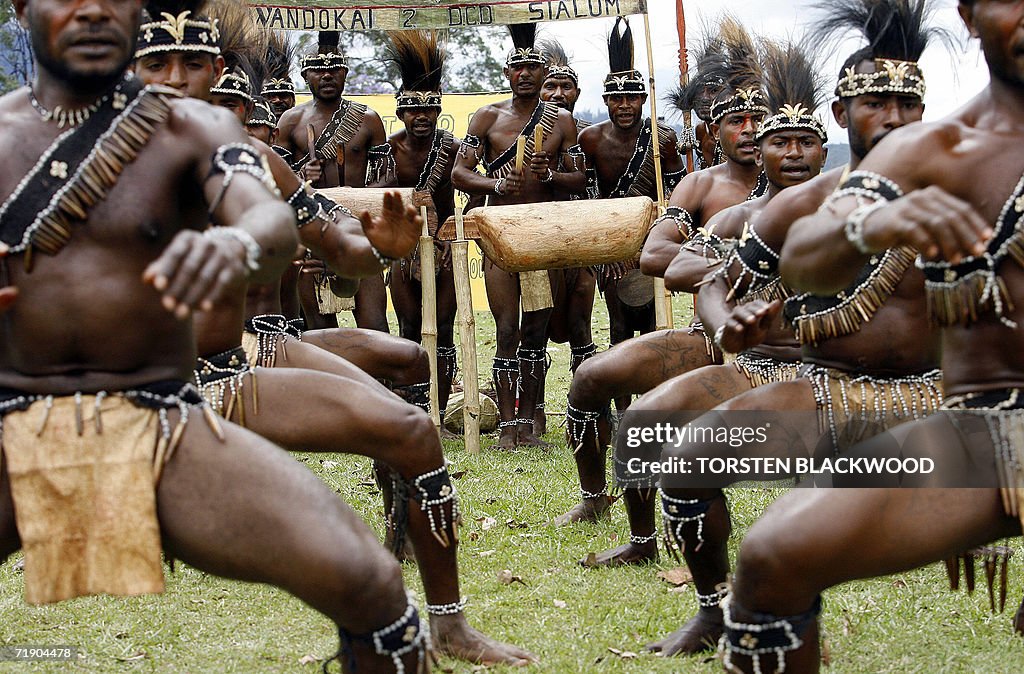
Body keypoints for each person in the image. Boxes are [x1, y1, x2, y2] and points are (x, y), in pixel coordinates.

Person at [0, 0, 428, 670]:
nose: (89, 8)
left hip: (163, 418)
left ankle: (444, 614)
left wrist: (236, 243)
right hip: (11, 415)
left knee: (370, 581)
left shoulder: (198, 131)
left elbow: (272, 221)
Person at [134, 7, 535, 665]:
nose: (176, 80)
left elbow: (334, 235)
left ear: (217, 71)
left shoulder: (253, 159)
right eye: (156, 64)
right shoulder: (81, 164)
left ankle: (450, 623)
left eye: (192, 65)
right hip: (122, 391)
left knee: (412, 430)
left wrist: (376, 247)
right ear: (131, 71)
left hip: (228, 368)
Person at [715, 0, 1024, 671]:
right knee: (773, 555)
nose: (889, 118)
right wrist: (872, 226)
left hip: (927, 396)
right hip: (995, 430)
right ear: (971, 15)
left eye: (901, 101)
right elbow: (805, 255)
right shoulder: (932, 152)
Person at [647, 5, 945, 653]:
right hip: (830, 390)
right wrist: (729, 327)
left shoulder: (966, 187)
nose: (892, 117)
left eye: (906, 102)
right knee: (687, 463)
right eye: (875, 103)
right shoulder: (803, 204)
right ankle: (710, 611)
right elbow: (716, 283)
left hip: (945, 395)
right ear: (842, 114)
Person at [593, 26, 833, 569]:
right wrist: (734, 282)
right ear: (760, 152)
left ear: (825, 149)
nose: (792, 153)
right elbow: (675, 266)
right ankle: (647, 545)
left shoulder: (855, 209)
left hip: (838, 374)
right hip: (756, 367)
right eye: (778, 141)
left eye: (805, 142)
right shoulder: (734, 217)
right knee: (642, 425)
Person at [554, 17, 767, 528]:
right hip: (708, 337)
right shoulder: (698, 187)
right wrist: (724, 261)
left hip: (782, 348)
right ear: (713, 130)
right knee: (590, 376)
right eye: (736, 122)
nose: (751, 132)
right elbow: (652, 257)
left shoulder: (804, 188)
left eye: (760, 121)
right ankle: (594, 496)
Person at [451, 23, 585, 449]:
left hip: (544, 232)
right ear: (507, 73)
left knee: (536, 331)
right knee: (506, 327)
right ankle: (507, 426)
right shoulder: (487, 117)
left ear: (544, 72)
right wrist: (494, 187)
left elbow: (580, 179)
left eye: (533, 67)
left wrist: (552, 175)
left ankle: (529, 421)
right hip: (502, 233)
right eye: (518, 68)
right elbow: (459, 173)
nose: (525, 74)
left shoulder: (561, 121)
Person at [581, 17, 686, 360]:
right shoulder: (591, 140)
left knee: (658, 331)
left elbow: (677, 196)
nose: (624, 105)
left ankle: (654, 408)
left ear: (643, 98)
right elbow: (587, 199)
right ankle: (624, 410)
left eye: (631, 98)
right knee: (620, 330)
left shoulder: (663, 139)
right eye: (616, 98)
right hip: (611, 246)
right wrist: (608, 254)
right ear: (606, 101)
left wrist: (654, 246)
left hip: (653, 242)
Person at [371, 30, 460, 427]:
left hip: (442, 249)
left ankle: (440, 404)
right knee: (408, 326)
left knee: (443, 327)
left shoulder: (453, 148)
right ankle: (414, 408)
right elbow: (371, 196)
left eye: (428, 110)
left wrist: (451, 229)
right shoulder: (388, 150)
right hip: (403, 249)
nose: (421, 117)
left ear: (438, 111)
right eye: (412, 110)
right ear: (401, 112)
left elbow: (471, 191)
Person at [276, 30, 390, 333]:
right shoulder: (290, 121)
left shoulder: (368, 118)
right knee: (319, 331)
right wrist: (302, 177)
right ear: (305, 75)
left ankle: (379, 382)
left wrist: (356, 197)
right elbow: (273, 181)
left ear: (345, 74)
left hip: (358, 231)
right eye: (318, 70)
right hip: (310, 234)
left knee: (375, 327)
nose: (326, 76)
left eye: (334, 70)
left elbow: (388, 176)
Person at [533, 37, 598, 435]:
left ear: (578, 92)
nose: (558, 94)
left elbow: (596, 188)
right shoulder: (521, 131)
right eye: (550, 87)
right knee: (535, 327)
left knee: (580, 328)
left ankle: (584, 409)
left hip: (582, 239)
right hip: (538, 239)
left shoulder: (589, 135)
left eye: (566, 87)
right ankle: (534, 411)